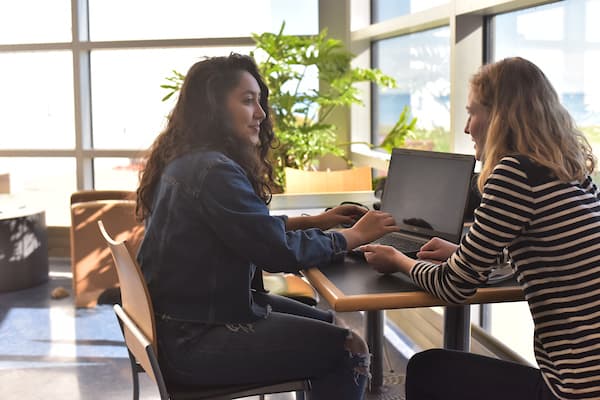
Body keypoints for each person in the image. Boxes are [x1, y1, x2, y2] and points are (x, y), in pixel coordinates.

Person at [135, 53, 399, 399]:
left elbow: (244, 228)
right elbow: (277, 254)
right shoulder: (215, 171)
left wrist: (317, 221)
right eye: (248, 101)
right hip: (196, 340)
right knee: (349, 346)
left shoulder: (187, 161)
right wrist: (352, 236)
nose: (260, 113)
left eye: (259, 101)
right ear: (214, 109)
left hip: (180, 325)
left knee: (323, 324)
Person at [360, 57, 600, 400]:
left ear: (502, 116)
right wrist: (463, 252)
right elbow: (547, 246)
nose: (467, 127)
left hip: (577, 389)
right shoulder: (572, 170)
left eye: (473, 113)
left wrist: (398, 260)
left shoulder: (514, 172)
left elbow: (455, 286)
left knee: (429, 369)